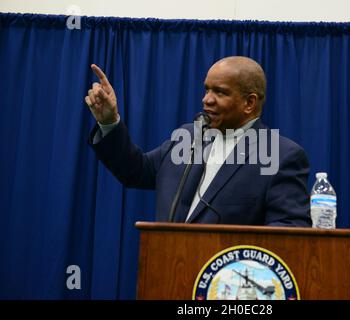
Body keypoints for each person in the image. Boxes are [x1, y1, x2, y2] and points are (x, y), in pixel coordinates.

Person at [85, 56, 311, 226]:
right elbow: (135, 171)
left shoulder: (280, 155)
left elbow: (289, 231)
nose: (206, 99)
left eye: (220, 92)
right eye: (206, 89)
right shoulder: (187, 138)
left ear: (249, 103)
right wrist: (109, 121)